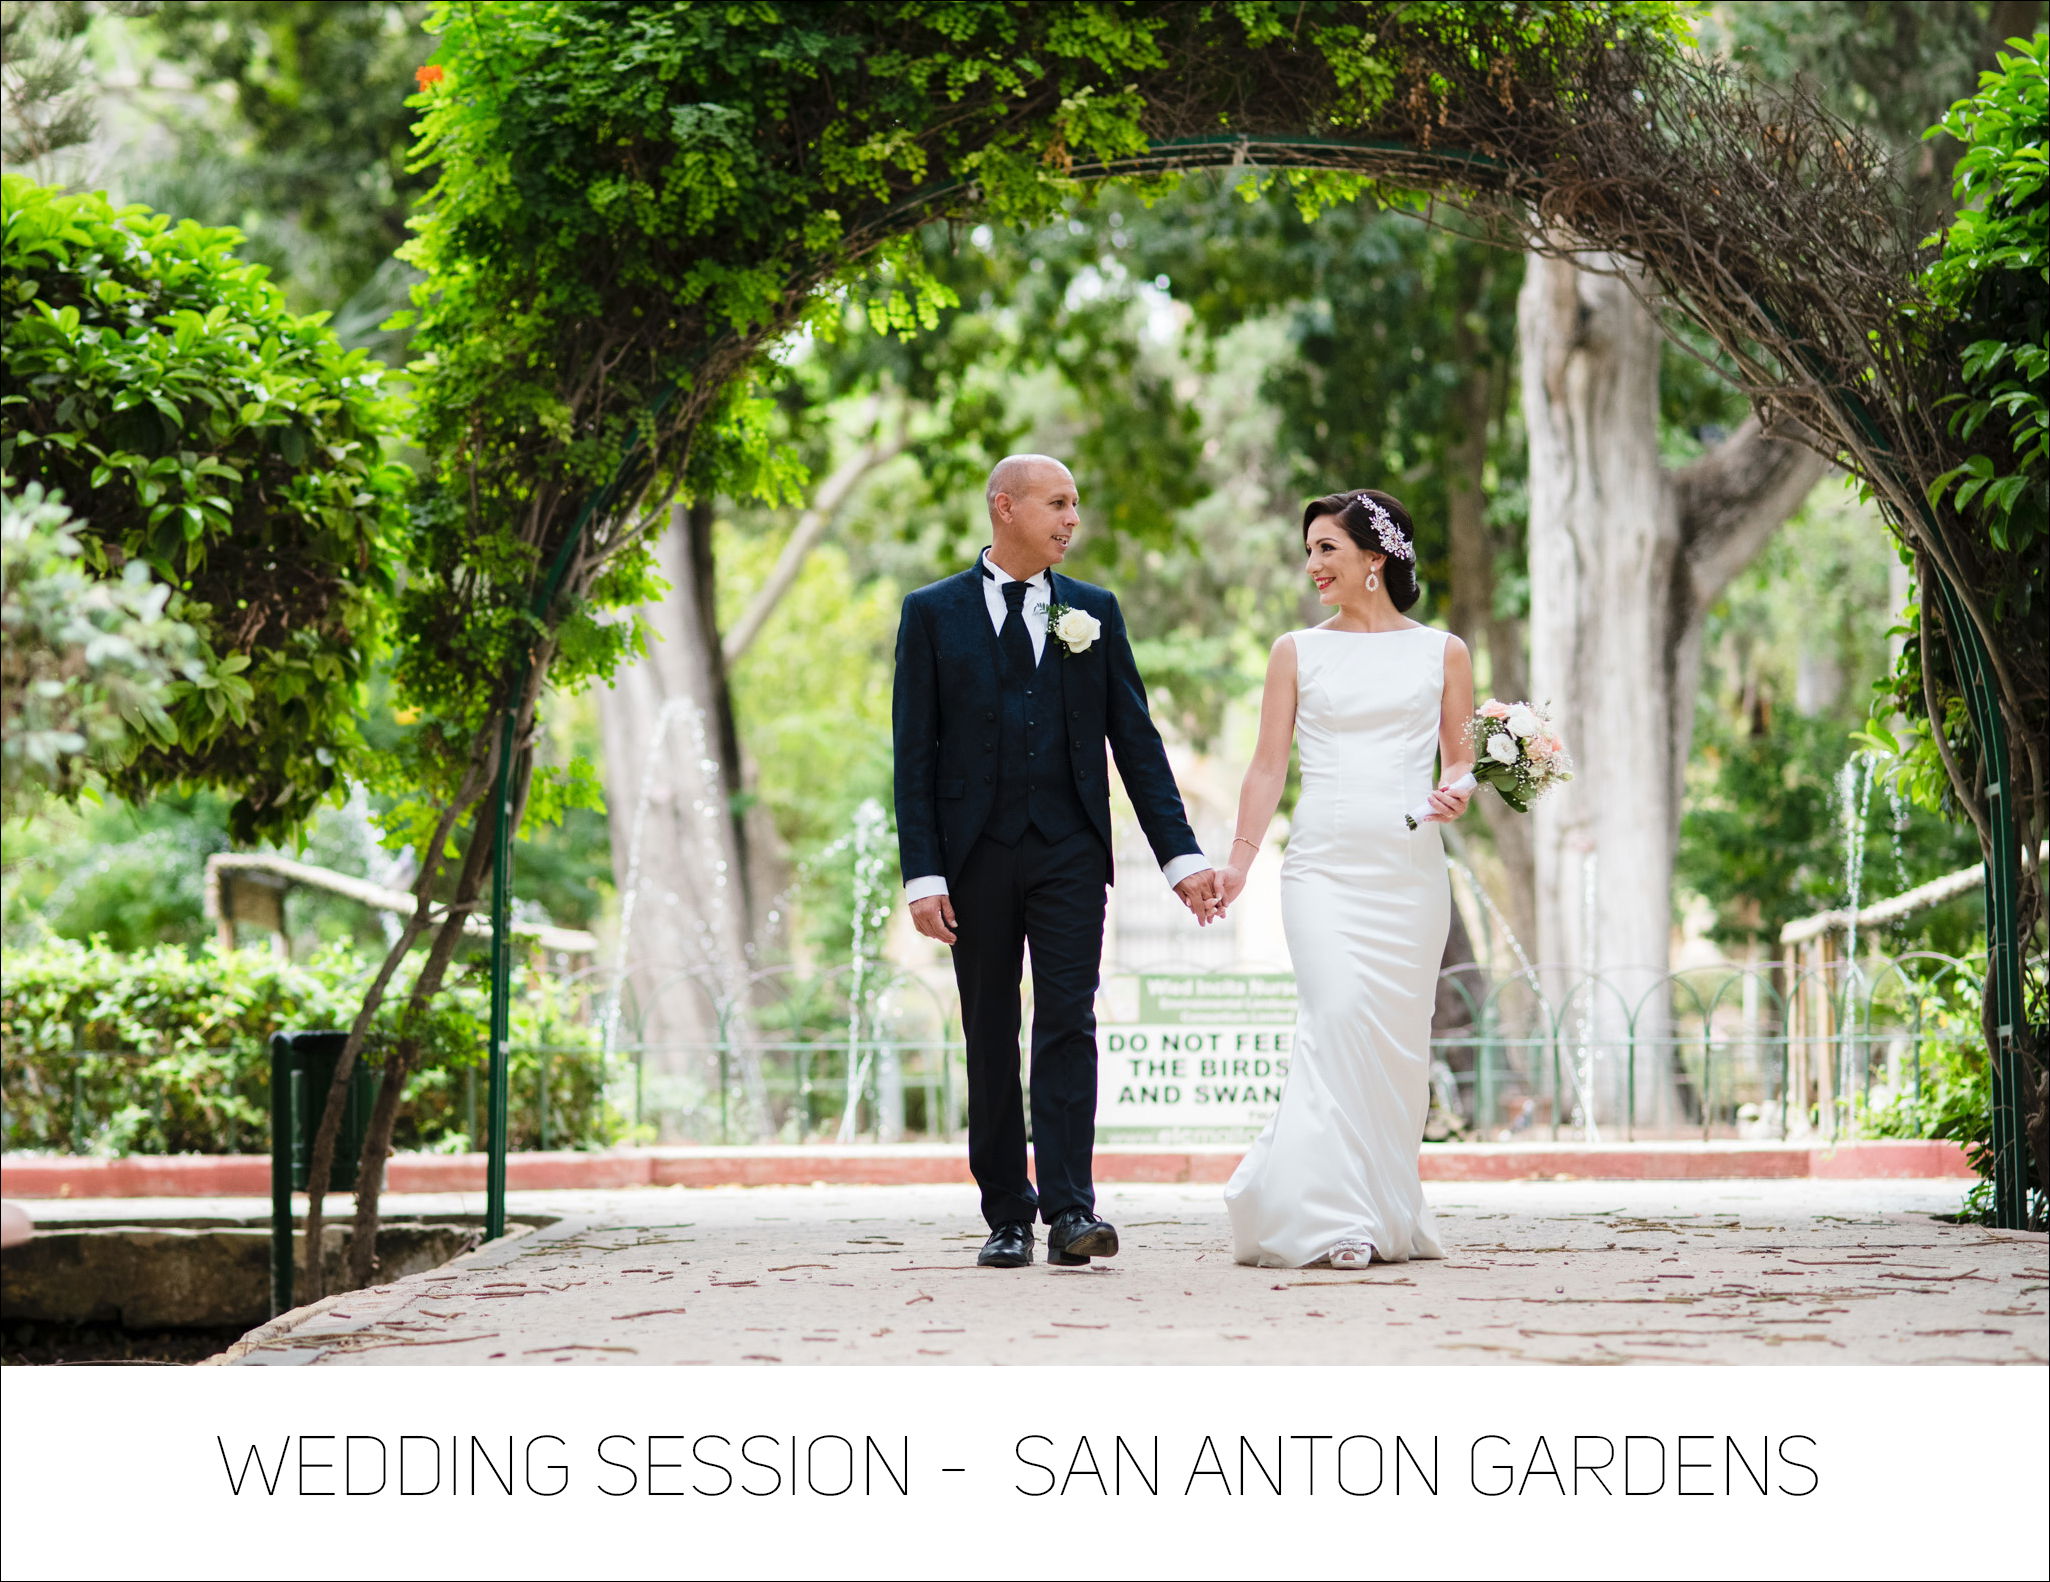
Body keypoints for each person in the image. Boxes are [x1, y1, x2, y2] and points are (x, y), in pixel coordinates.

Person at [893, 454, 1224, 1269]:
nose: (1072, 519)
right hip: (972, 860)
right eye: (1058, 503)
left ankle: (1073, 1211)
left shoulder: (1094, 613)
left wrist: (1180, 857)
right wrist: (923, 875)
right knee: (990, 1032)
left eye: (1076, 503)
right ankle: (1008, 1214)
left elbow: (1138, 745)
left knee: (1069, 1023)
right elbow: (914, 756)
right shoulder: (931, 613)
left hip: (1071, 850)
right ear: (1004, 508)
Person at [1218, 488, 1474, 1268]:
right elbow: (1267, 767)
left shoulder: (1444, 652)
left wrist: (1459, 786)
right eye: (1310, 550)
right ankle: (1335, 1220)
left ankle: (1384, 1204)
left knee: (1396, 1046)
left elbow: (1460, 755)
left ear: (1376, 558)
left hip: (1410, 874)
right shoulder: (1296, 649)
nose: (1312, 565)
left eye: (1326, 548)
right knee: (1335, 1019)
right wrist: (1238, 859)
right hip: (1322, 872)